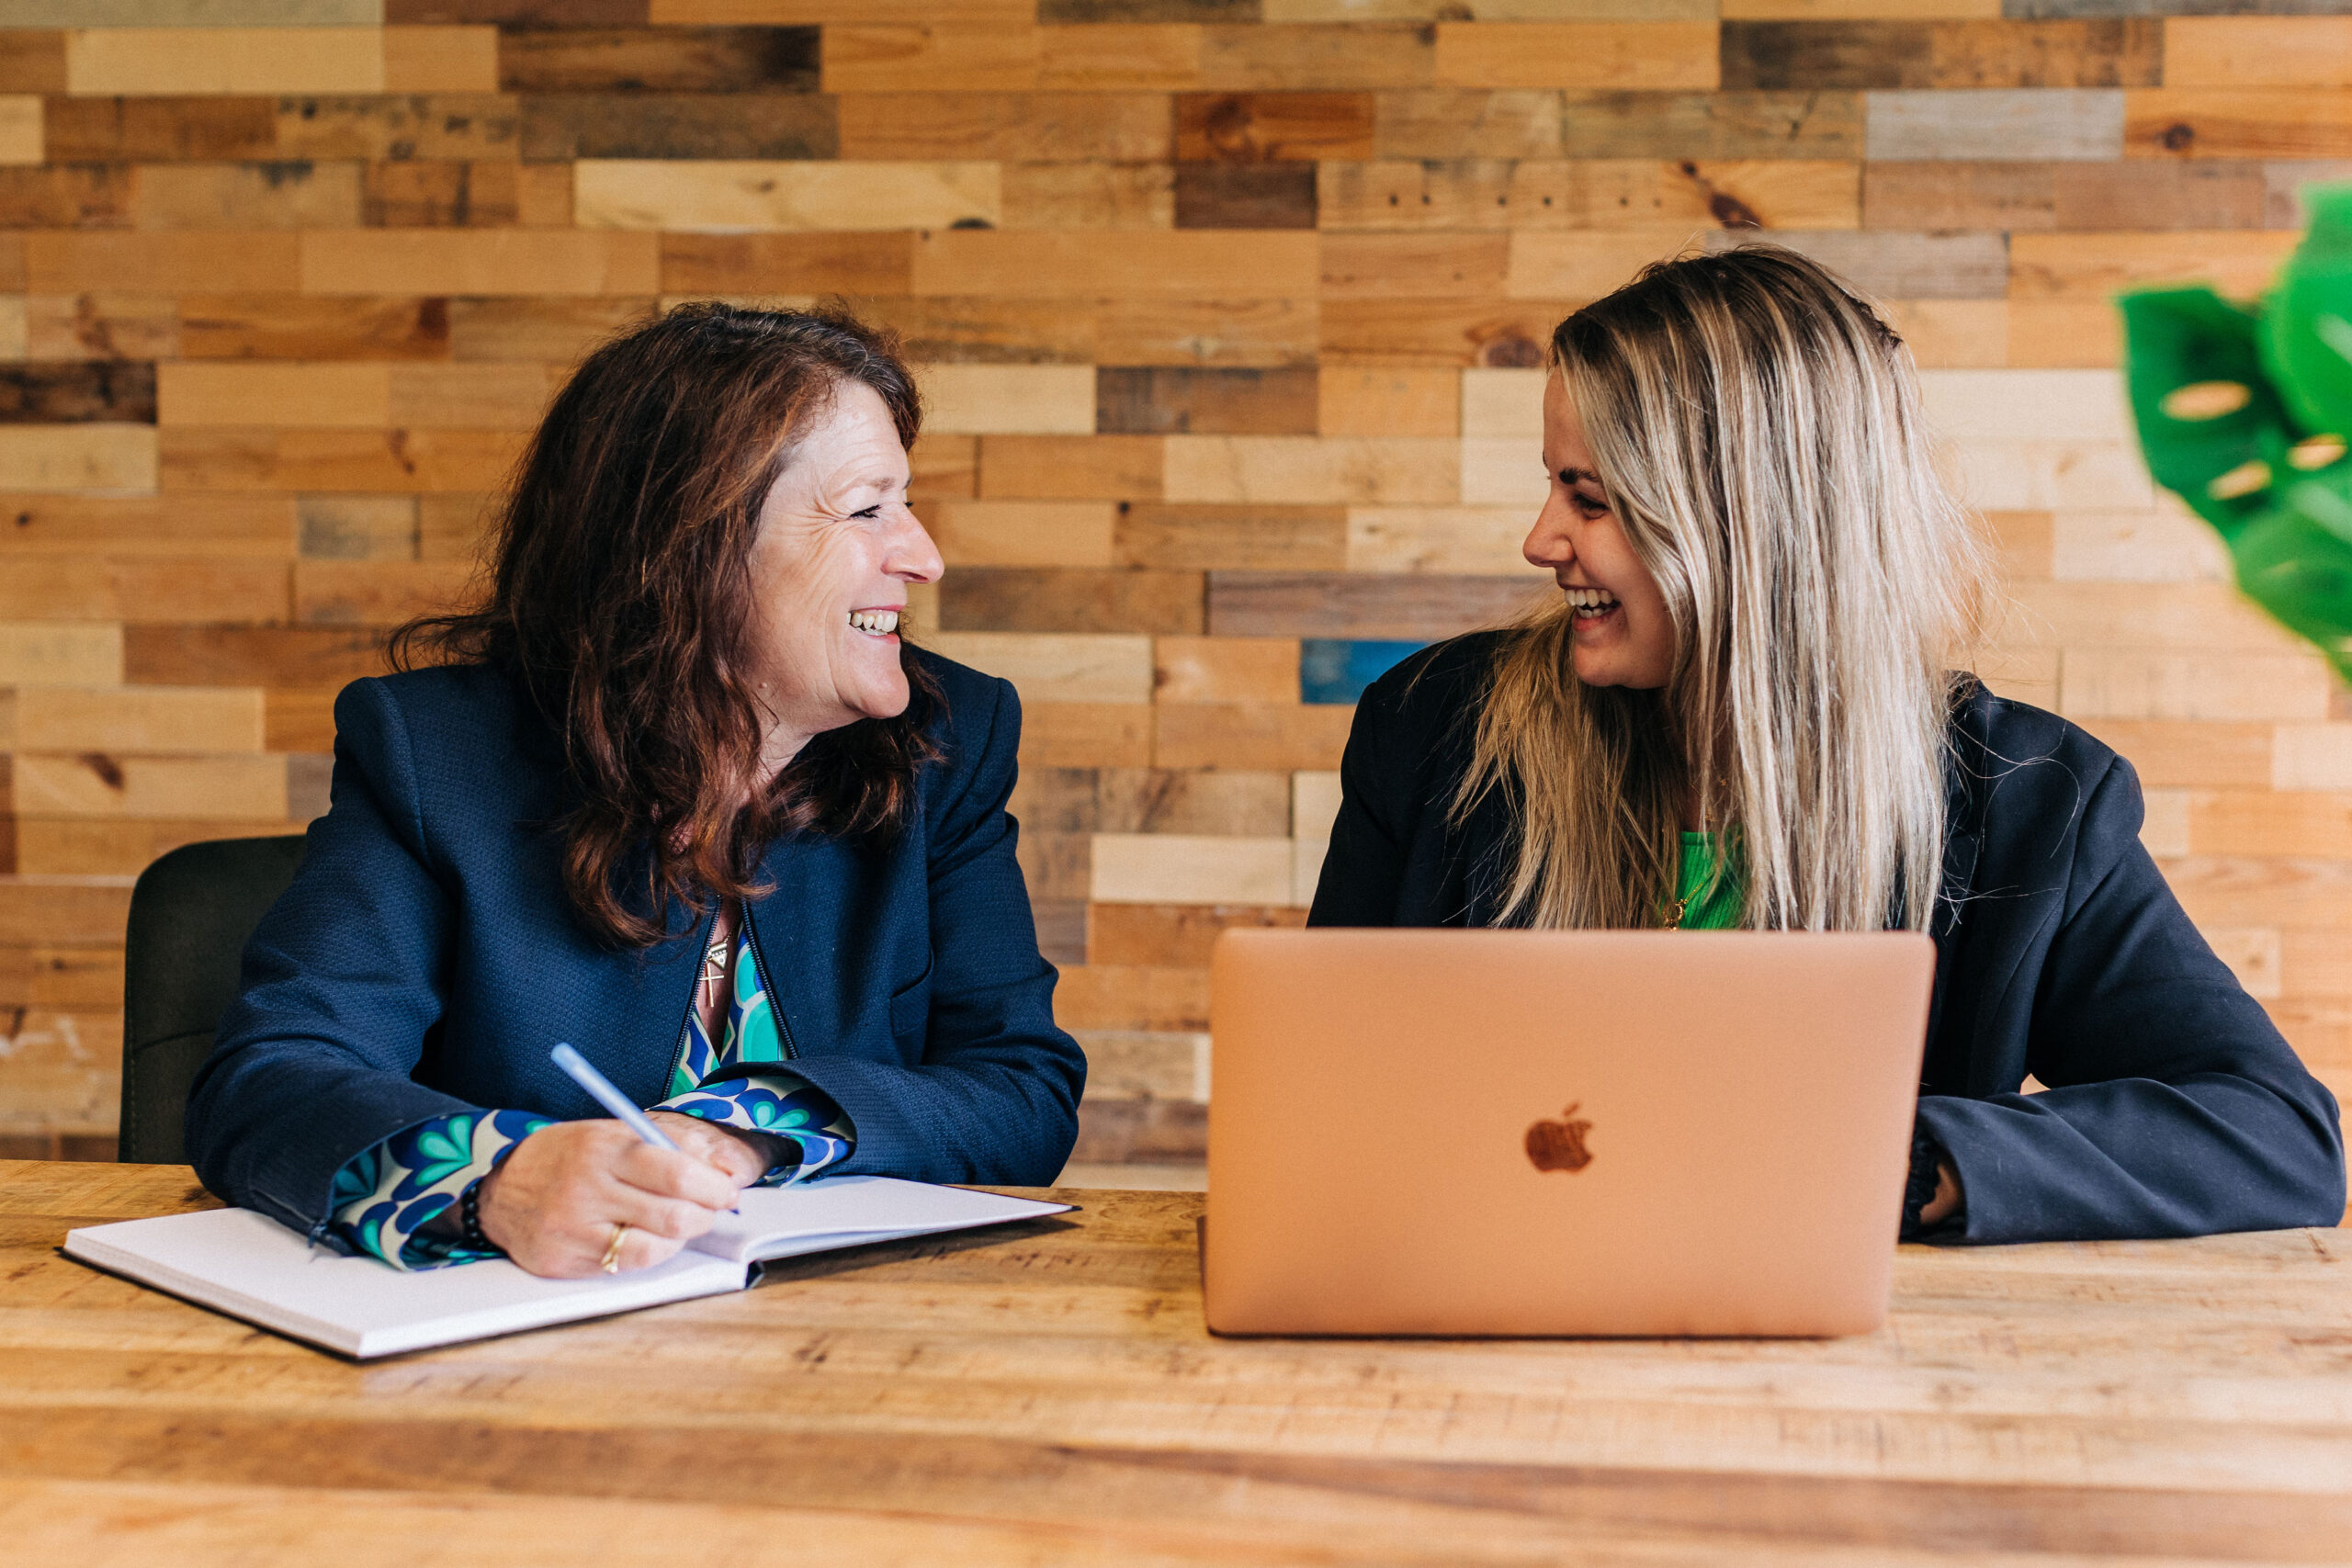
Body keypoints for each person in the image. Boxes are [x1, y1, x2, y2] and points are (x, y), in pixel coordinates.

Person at [1310, 246, 2344, 1244]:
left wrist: (1891, 1167)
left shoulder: (2028, 799)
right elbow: (1316, 1101)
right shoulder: (1432, 730)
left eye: (1591, 499)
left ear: (1748, 522)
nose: (1541, 540)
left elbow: (2273, 1134)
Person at [188, 304, 1086, 1278]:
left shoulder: (948, 741)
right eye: (868, 510)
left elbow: (1021, 1089)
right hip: (521, 1331)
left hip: (848, 1331)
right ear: (692, 545)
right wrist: (497, 1178)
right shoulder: (432, 753)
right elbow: (268, 1082)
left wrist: (751, 1126)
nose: (922, 555)